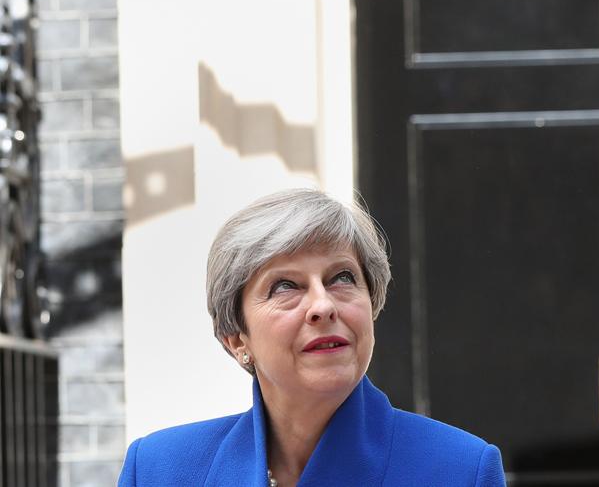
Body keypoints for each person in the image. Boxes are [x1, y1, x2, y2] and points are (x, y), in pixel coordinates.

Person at [118, 189, 506, 486]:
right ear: (237, 339)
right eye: (285, 286)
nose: (323, 305)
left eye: (342, 278)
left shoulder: (461, 470)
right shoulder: (157, 470)